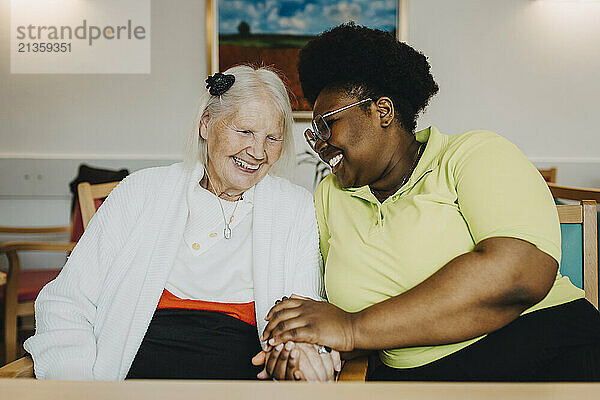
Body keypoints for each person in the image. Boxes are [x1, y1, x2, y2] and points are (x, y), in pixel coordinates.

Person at [260, 23, 600, 381]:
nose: (320, 143)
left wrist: (352, 328)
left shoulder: (472, 154)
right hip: (417, 381)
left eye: (328, 125)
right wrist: (304, 347)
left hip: (542, 351)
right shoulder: (330, 197)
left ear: (383, 111)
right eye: (314, 133)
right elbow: (336, 315)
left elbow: (520, 274)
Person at [24, 64, 339, 381]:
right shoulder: (141, 192)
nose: (257, 152)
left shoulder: (294, 208)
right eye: (245, 132)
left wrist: (301, 355)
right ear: (207, 124)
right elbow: (67, 303)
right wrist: (78, 389)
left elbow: (305, 316)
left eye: (272, 138)